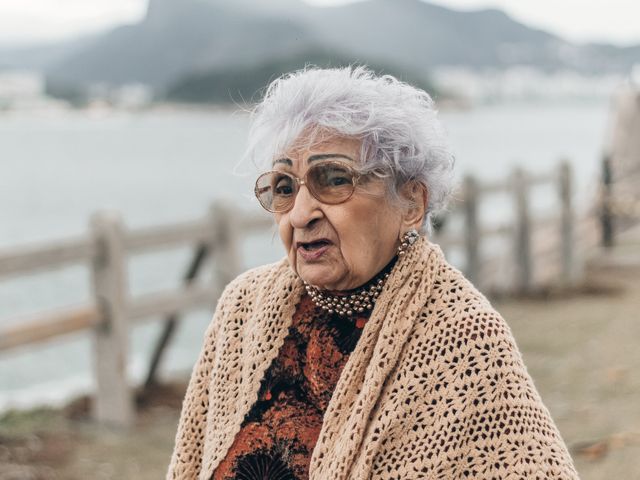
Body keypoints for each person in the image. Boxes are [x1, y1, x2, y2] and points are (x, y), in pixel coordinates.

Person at [166, 66, 579, 479]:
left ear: (412, 203)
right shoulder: (245, 307)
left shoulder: (462, 336)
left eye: (333, 180)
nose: (301, 213)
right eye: (285, 187)